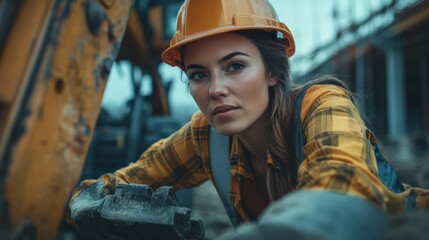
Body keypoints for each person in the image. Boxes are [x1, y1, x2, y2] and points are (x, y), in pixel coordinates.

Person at [69, 0, 429, 239]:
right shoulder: (204, 135)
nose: (215, 89)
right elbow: (121, 182)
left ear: (273, 72)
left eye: (235, 66)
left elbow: (343, 184)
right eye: (198, 75)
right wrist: (84, 201)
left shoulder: (321, 105)